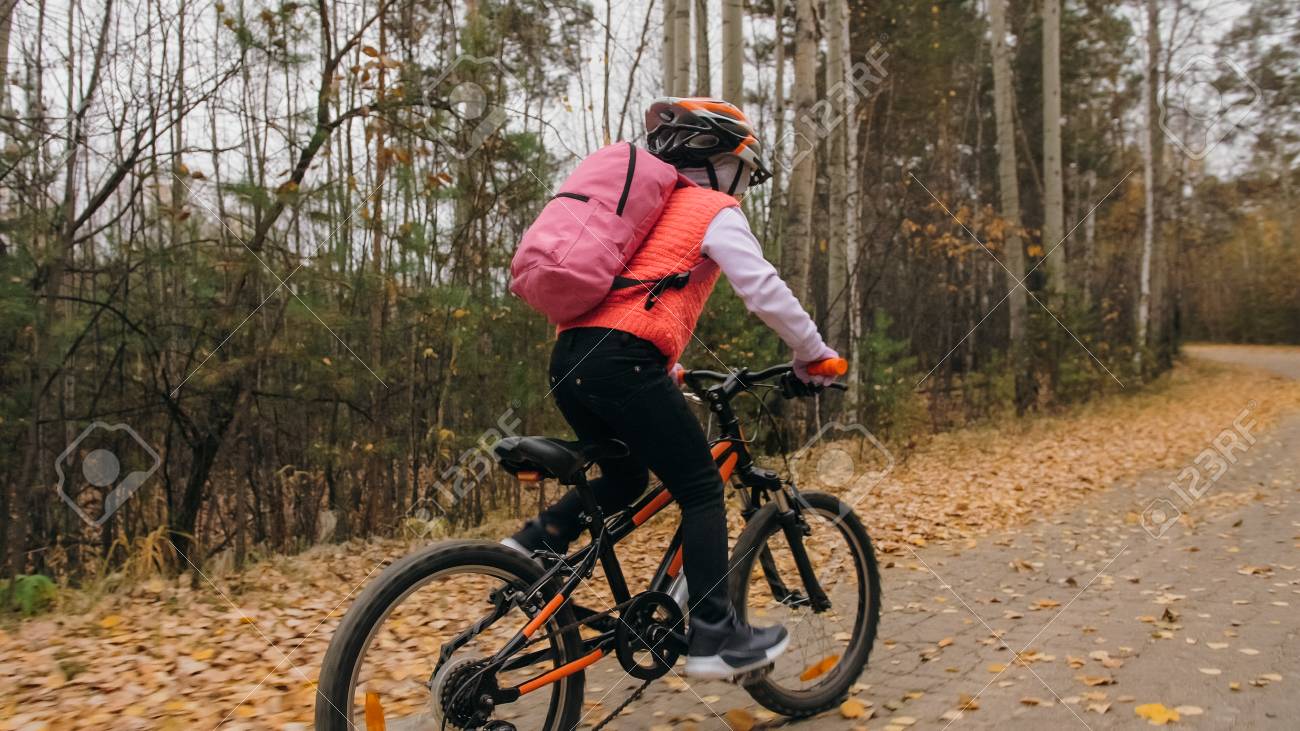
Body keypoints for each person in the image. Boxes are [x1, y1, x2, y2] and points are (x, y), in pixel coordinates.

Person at [504, 97, 840, 679]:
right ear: (714, 157)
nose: (743, 184)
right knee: (702, 487)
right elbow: (763, 289)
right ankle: (715, 634)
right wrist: (813, 353)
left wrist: (668, 369)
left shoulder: (639, 215)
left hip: (573, 360)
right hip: (624, 362)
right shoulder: (711, 207)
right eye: (743, 167)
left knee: (627, 475)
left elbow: (631, 300)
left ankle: (533, 544)